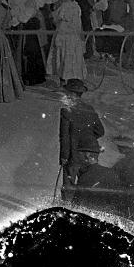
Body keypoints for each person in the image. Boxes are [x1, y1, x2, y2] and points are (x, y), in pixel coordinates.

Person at [57, 79, 104, 207]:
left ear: (72, 94)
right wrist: (88, 138)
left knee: (69, 184)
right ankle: (85, 208)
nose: (65, 95)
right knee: (88, 182)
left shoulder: (67, 110)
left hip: (75, 153)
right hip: (92, 152)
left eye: (67, 93)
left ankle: (67, 208)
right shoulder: (89, 109)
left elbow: (65, 136)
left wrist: (64, 157)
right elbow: (100, 131)